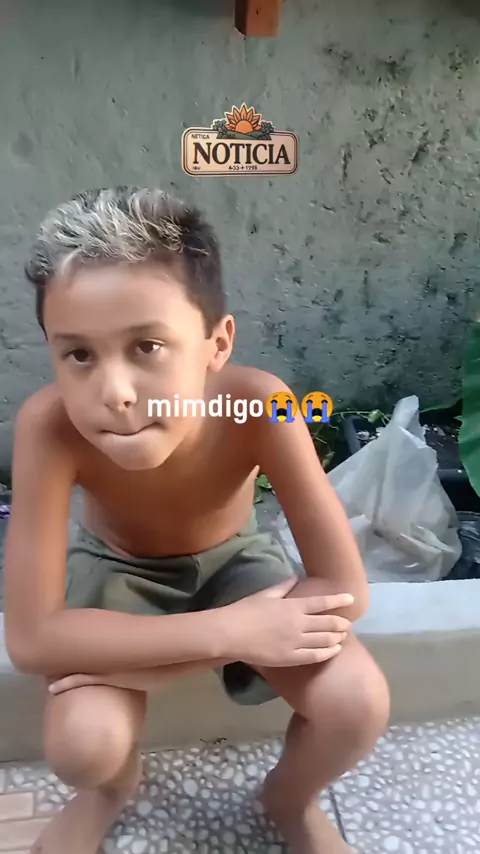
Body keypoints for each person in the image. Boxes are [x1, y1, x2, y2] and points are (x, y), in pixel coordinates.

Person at [3, 187, 390, 854]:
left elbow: (346, 591)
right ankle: (110, 791)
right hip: (119, 571)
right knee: (82, 745)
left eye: (147, 346)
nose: (115, 393)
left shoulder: (262, 405)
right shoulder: (49, 426)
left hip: (237, 564)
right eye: (79, 355)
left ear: (217, 344)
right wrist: (230, 634)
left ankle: (288, 800)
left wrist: (168, 654)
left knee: (357, 702)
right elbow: (33, 640)